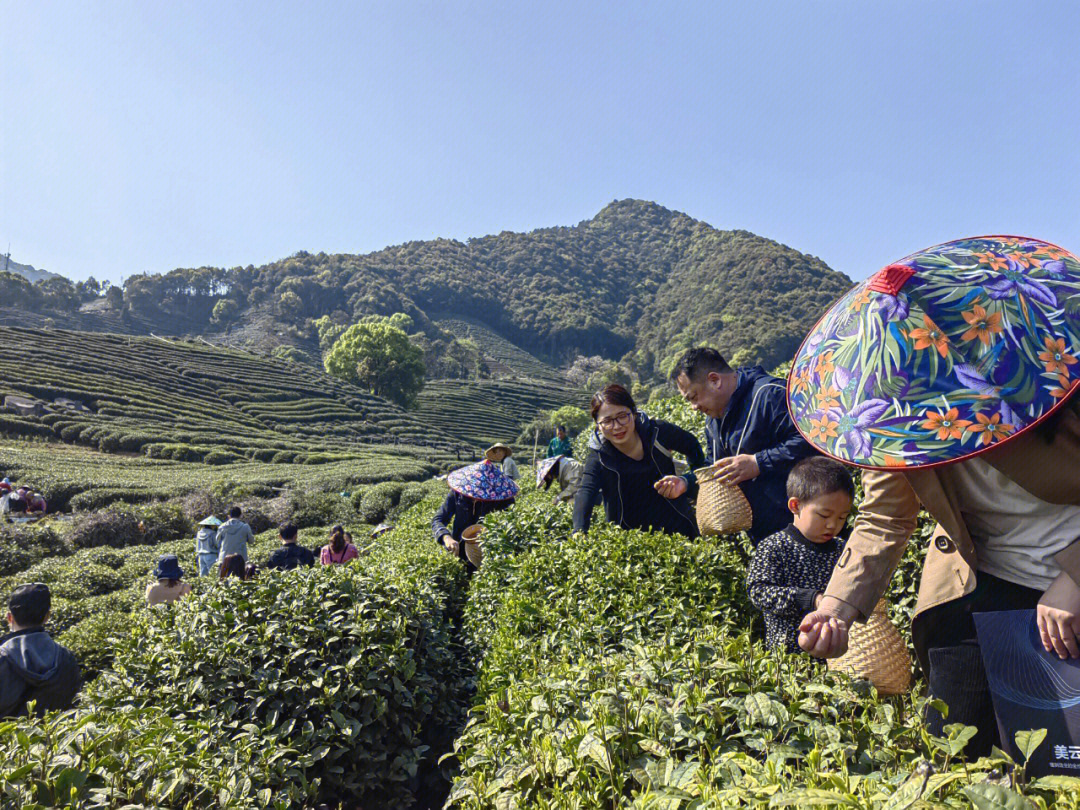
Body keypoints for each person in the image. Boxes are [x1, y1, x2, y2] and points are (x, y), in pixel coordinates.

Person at [790, 235, 1080, 759]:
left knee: (1059, 757)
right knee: (956, 747)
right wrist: (836, 606)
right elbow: (883, 518)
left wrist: (1074, 578)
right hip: (980, 580)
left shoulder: (1052, 381)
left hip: (1066, 583)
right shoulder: (899, 424)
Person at [672, 348, 816, 544]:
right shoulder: (713, 420)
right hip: (763, 536)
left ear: (715, 380)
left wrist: (758, 462)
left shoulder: (771, 394)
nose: (694, 407)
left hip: (807, 529)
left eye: (694, 397)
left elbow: (812, 440)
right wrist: (687, 482)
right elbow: (715, 466)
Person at [746, 458, 852, 653]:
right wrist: (809, 599)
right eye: (824, 515)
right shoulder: (774, 546)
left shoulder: (841, 549)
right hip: (787, 658)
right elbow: (758, 591)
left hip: (835, 654)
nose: (833, 525)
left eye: (841, 518)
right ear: (795, 505)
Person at [573, 384, 704, 537]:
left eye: (622, 416)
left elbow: (692, 445)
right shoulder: (599, 456)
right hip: (632, 539)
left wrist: (692, 481)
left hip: (680, 527)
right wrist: (579, 532)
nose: (617, 427)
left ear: (633, 413)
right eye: (607, 421)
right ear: (598, 425)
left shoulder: (658, 432)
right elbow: (586, 491)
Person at [0, 583, 80, 717]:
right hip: (54, 736)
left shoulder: (2, 658)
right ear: (47, 616)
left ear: (9, 617)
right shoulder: (66, 658)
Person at [432, 460, 518, 570]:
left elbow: (511, 527)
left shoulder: (504, 498)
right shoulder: (458, 493)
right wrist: (446, 537)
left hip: (487, 556)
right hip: (459, 552)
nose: (476, 496)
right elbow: (438, 519)